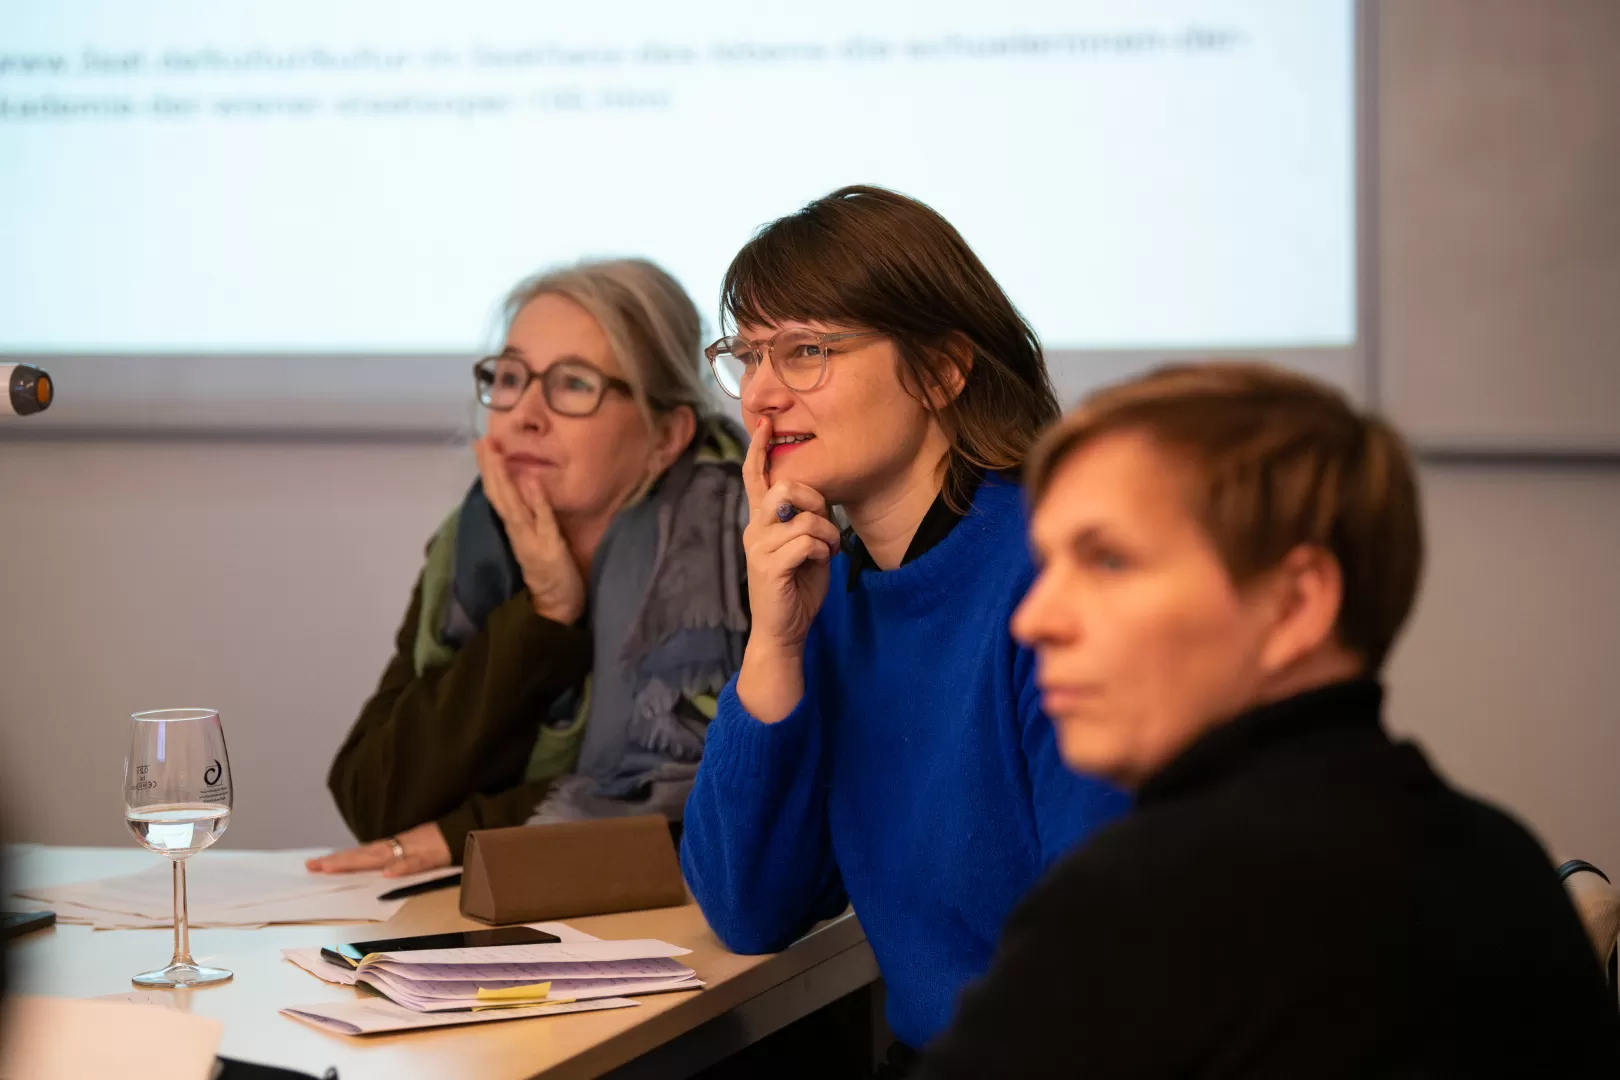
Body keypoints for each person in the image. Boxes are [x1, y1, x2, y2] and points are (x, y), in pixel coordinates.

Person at [917, 362, 1620, 1078]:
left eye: (1107, 561)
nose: (1036, 619)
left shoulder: (1138, 912)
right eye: (1047, 564)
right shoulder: (1507, 862)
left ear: (1296, 603)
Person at [678, 185, 1129, 1061]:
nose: (762, 397)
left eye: (805, 350)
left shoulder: (1055, 577)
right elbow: (748, 907)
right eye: (748, 356)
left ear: (941, 370)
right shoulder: (836, 595)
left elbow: (1102, 960)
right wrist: (773, 647)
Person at [309, 258, 749, 877]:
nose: (525, 414)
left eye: (573, 384)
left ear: (666, 435)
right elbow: (376, 797)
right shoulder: (473, 549)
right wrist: (544, 615)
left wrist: (471, 833)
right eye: (511, 377)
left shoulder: (743, 545)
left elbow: (709, 799)